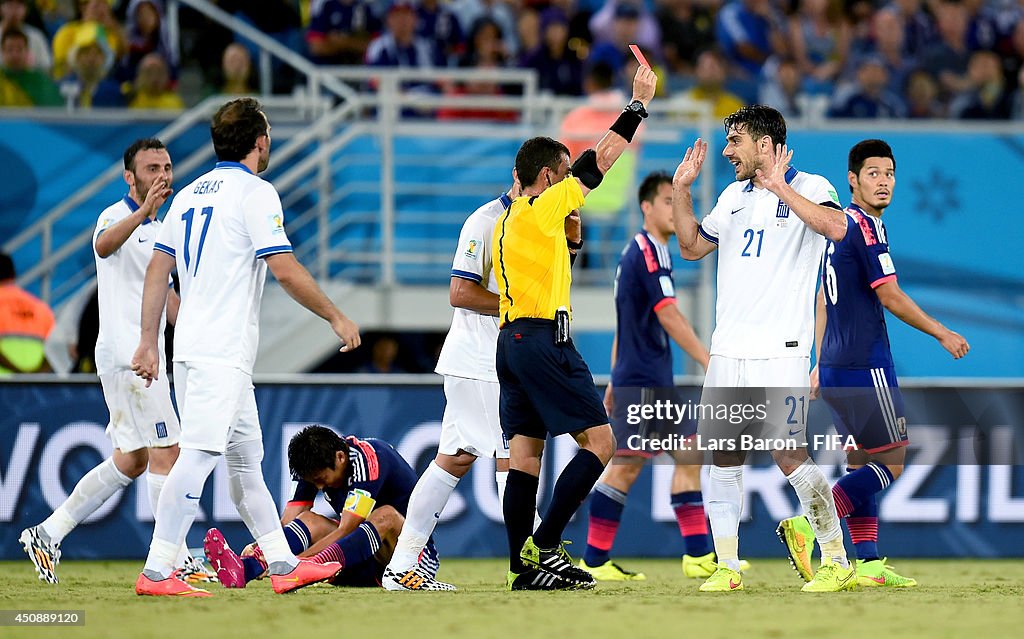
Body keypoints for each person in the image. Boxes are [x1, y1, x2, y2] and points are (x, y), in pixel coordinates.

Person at [130, 97, 362, 597]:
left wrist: (151, 340)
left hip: (201, 348)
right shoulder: (255, 193)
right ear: (260, 142)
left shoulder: (188, 194)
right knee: (196, 459)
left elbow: (157, 270)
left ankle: (281, 564)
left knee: (245, 464)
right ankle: (156, 570)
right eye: (270, 134)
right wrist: (334, 315)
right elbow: (283, 267)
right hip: (220, 352)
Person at [671, 104, 855, 593]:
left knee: (788, 453)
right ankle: (728, 568)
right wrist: (682, 190)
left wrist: (780, 188)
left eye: (736, 141)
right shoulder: (731, 195)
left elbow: (837, 229)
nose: (727, 151)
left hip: (782, 348)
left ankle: (836, 558)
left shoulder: (813, 186)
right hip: (729, 348)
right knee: (723, 459)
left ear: (765, 145)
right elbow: (690, 246)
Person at [18, 138, 214, 585]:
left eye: (166, 166)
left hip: (139, 355)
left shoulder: (161, 228)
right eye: (151, 168)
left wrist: (198, 334)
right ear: (130, 177)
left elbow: (166, 297)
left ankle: (49, 532)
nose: (162, 175)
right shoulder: (118, 214)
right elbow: (103, 246)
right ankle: (175, 556)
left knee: (133, 459)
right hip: (132, 357)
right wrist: (142, 212)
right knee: (170, 451)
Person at [493, 63, 657, 591]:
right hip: (544, 339)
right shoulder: (547, 203)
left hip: (511, 341)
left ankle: (522, 566)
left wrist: (574, 243)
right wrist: (637, 106)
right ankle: (545, 544)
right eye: (563, 173)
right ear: (547, 176)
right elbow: (601, 159)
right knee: (602, 443)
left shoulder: (511, 218)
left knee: (526, 454)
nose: (572, 182)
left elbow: (545, 262)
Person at [789, 139, 969, 588]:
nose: (883, 181)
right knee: (891, 463)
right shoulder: (865, 228)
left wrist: (819, 360)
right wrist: (942, 331)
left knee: (859, 460)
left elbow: (822, 299)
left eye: (888, 174)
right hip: (865, 366)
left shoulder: (841, 228)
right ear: (853, 179)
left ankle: (866, 565)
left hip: (835, 366)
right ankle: (809, 525)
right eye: (873, 173)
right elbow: (888, 295)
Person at [582, 171, 741, 582]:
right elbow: (667, 315)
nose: (674, 209)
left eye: (677, 201)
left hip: (646, 378)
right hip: (644, 382)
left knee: (689, 455)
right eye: (667, 201)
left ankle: (697, 555)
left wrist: (614, 379)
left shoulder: (647, 251)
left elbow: (624, 324)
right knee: (625, 468)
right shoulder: (648, 252)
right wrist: (710, 360)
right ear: (646, 207)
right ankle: (594, 561)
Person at [381, 180, 521, 592]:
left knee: (454, 458)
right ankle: (528, 562)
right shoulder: (485, 221)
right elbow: (459, 292)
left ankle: (401, 564)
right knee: (511, 457)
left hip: (486, 361)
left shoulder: (529, 223)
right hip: (479, 361)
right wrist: (517, 305)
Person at [204, 426, 441, 589]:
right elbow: (290, 519)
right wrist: (264, 546)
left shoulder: (370, 457)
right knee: (310, 521)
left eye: (321, 479)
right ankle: (244, 570)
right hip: (356, 561)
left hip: (412, 564)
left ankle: (299, 570)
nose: (318, 485)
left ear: (340, 457)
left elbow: (348, 529)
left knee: (385, 516)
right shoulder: (315, 467)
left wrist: (299, 563)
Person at [0, 252, 54, 374]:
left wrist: (18, 373)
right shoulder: (41, 308)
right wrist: (33, 376)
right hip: (34, 387)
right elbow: (55, 350)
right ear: (13, 275)